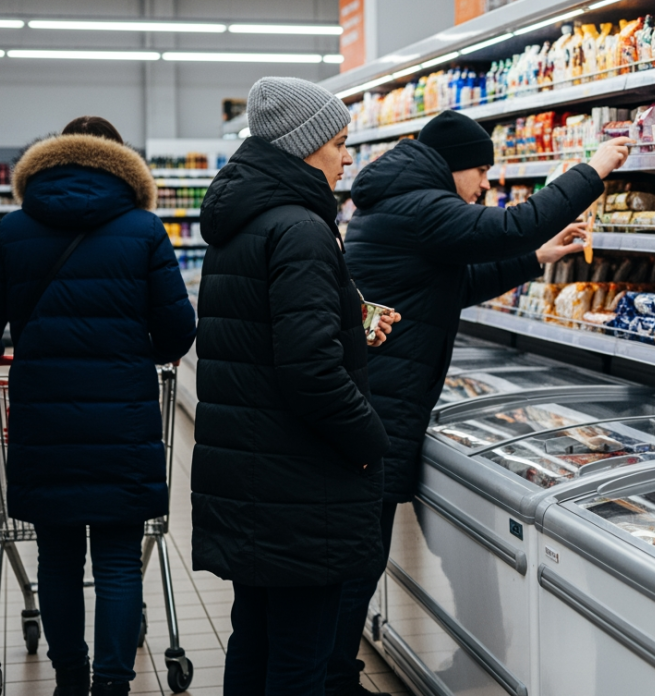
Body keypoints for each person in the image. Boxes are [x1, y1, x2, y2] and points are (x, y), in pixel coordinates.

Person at [330, 109, 630, 695]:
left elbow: (452, 284)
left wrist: (537, 260)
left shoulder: (397, 201)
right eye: (482, 172)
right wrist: (591, 169)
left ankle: (333, 674)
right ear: (453, 167)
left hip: (380, 399)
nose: (485, 185)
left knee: (360, 556)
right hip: (380, 406)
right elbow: (511, 225)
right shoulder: (421, 205)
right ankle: (332, 680)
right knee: (358, 560)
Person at [0, 116, 197, 696]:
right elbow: (176, 332)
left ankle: (69, 680)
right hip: (123, 423)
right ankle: (113, 685)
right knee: (117, 557)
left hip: (45, 422)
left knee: (58, 560)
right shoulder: (144, 230)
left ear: (51, 158)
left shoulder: (15, 230)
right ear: (122, 166)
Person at [190, 76, 398, 696]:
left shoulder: (244, 218)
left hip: (255, 474)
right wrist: (370, 439)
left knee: (254, 636)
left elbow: (264, 338)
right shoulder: (302, 228)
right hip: (300, 485)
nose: (345, 159)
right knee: (300, 659)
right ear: (305, 146)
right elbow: (309, 371)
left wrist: (349, 326)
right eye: (338, 143)